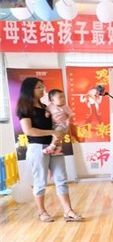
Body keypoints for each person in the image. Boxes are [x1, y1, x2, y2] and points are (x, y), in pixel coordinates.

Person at [16, 77, 83, 223]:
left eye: (43, 87)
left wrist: (62, 129)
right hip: (38, 148)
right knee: (40, 181)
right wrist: (52, 132)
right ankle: (42, 212)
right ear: (30, 89)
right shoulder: (25, 108)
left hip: (55, 146)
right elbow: (29, 131)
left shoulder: (46, 107)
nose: (43, 90)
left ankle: (68, 211)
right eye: (39, 87)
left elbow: (59, 122)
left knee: (61, 179)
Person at [43, 89, 73, 155]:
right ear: (52, 100)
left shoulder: (65, 107)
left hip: (63, 125)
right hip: (54, 125)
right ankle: (58, 149)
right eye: (60, 97)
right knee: (58, 138)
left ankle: (51, 147)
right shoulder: (50, 106)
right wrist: (47, 113)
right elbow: (47, 110)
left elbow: (71, 114)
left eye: (63, 97)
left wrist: (68, 119)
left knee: (56, 134)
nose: (63, 99)